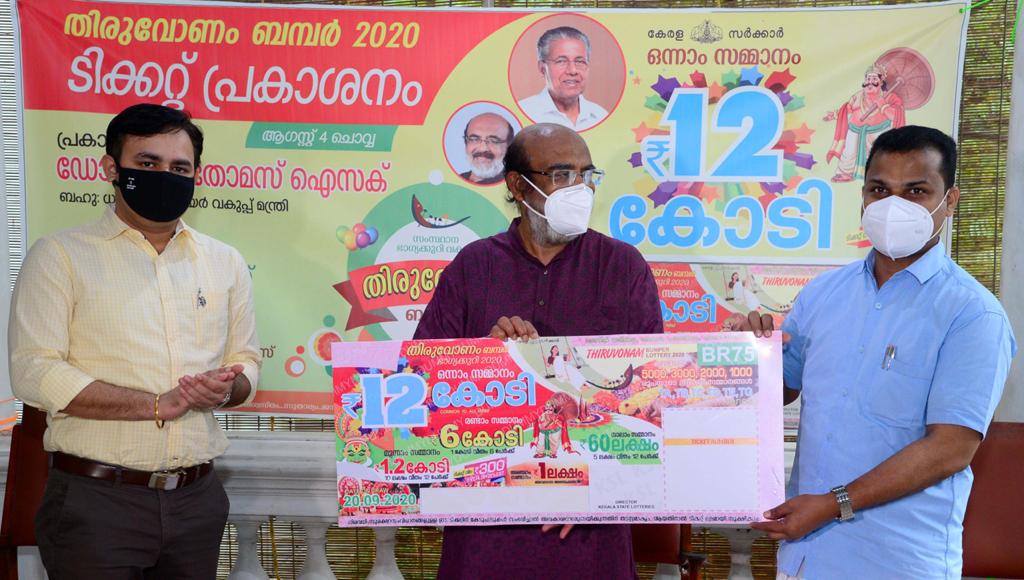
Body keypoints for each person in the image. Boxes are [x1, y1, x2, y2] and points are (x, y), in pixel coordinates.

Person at [742, 126, 1015, 578]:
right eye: (879, 190)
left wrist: (833, 504)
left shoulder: (972, 314)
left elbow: (951, 448)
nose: (893, 206)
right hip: (805, 559)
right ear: (863, 196)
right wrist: (745, 356)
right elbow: (781, 390)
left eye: (916, 191)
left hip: (897, 562)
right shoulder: (823, 294)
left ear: (950, 201)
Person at [9, 103, 261, 579]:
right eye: (148, 163)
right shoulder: (60, 256)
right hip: (97, 503)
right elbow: (34, 371)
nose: (165, 176)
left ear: (197, 175)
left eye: (179, 168)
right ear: (112, 168)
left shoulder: (225, 262)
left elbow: (245, 360)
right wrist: (156, 405)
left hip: (198, 503)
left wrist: (227, 388)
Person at [414, 123, 661, 579]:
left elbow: (650, 403)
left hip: (590, 536)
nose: (579, 189)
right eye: (562, 175)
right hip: (487, 534)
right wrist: (485, 361)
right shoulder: (473, 267)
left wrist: (599, 488)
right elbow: (419, 391)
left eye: (587, 176)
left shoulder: (622, 268)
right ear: (517, 184)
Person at [517, 27, 609, 131]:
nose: (572, 71)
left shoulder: (600, 116)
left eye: (579, 61)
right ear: (542, 68)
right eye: (561, 61)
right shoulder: (523, 112)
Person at [825, 64, 906, 183]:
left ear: (881, 82)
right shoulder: (858, 96)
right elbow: (848, 109)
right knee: (848, 153)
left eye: (874, 79)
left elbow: (897, 115)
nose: (870, 82)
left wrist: (883, 105)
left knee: (878, 154)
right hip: (855, 129)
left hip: (878, 130)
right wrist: (835, 115)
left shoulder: (890, 97)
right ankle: (845, 173)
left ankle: (879, 176)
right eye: (868, 79)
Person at [459, 112, 514, 185]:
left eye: (494, 141)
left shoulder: (513, 185)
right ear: (466, 142)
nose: (483, 148)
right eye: (474, 139)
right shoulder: (455, 180)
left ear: (509, 146)